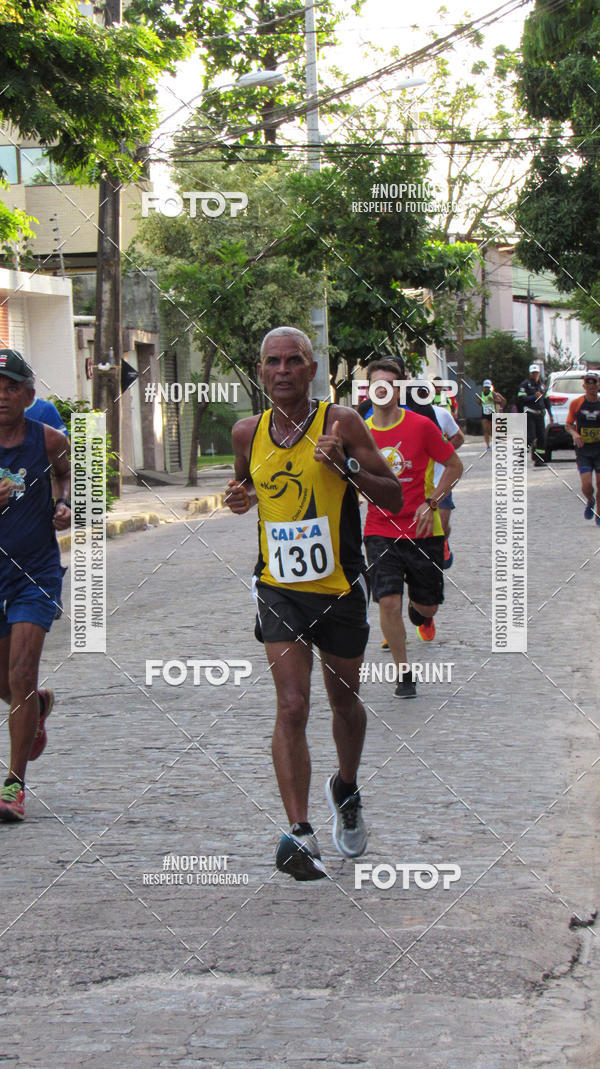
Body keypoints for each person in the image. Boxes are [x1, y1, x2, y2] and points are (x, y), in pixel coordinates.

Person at [225, 326, 403, 882]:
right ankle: (299, 832)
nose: (283, 370)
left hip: (340, 587)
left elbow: (394, 495)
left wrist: (346, 467)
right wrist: (238, 497)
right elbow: (248, 487)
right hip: (279, 587)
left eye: (294, 361)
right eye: (273, 362)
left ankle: (345, 789)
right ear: (261, 372)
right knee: (292, 705)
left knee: (344, 704)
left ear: (312, 368)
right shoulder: (245, 432)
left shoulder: (342, 423)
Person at [362, 360, 463, 699]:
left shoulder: (421, 426)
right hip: (379, 529)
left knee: (427, 607)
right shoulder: (360, 432)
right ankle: (404, 673)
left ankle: (420, 613)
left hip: (423, 529)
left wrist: (432, 501)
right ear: (368, 389)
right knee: (387, 601)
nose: (383, 390)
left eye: (390, 384)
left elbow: (454, 465)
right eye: (377, 384)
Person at [0, 349, 71, 822]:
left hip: (35, 573)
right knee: (6, 681)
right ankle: (37, 708)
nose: (1, 395)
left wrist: (64, 504)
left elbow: (69, 476)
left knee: (21, 673)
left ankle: (13, 786)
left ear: (27, 394)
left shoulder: (48, 441)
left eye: (10, 386)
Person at [431, 401, 464, 569]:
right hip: (417, 482)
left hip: (441, 478)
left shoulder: (440, 414)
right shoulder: (402, 416)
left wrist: (444, 452)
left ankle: (443, 542)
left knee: (442, 525)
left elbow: (459, 436)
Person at [565, 369, 600, 524]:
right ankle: (590, 500)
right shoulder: (576, 403)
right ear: (584, 386)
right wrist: (575, 434)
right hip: (584, 450)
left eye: (594, 383)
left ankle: (599, 514)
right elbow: (568, 425)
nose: (591, 386)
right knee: (587, 486)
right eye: (588, 383)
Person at [517, 364, 553, 466]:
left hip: (540, 414)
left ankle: (539, 460)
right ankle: (521, 457)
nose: (535, 375)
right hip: (530, 413)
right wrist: (533, 396)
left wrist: (550, 414)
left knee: (542, 437)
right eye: (533, 373)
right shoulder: (525, 385)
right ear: (530, 373)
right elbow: (521, 399)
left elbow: (546, 399)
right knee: (531, 436)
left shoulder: (542, 385)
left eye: (536, 373)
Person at [478, 379, 506, 450]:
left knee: (493, 429)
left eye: (488, 387)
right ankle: (487, 445)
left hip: (493, 413)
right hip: (485, 413)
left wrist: (493, 400)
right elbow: (478, 403)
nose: (487, 388)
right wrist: (480, 401)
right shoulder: (480, 394)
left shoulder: (493, 393)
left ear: (490, 387)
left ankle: (495, 440)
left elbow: (500, 401)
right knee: (485, 429)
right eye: (485, 387)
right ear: (483, 387)